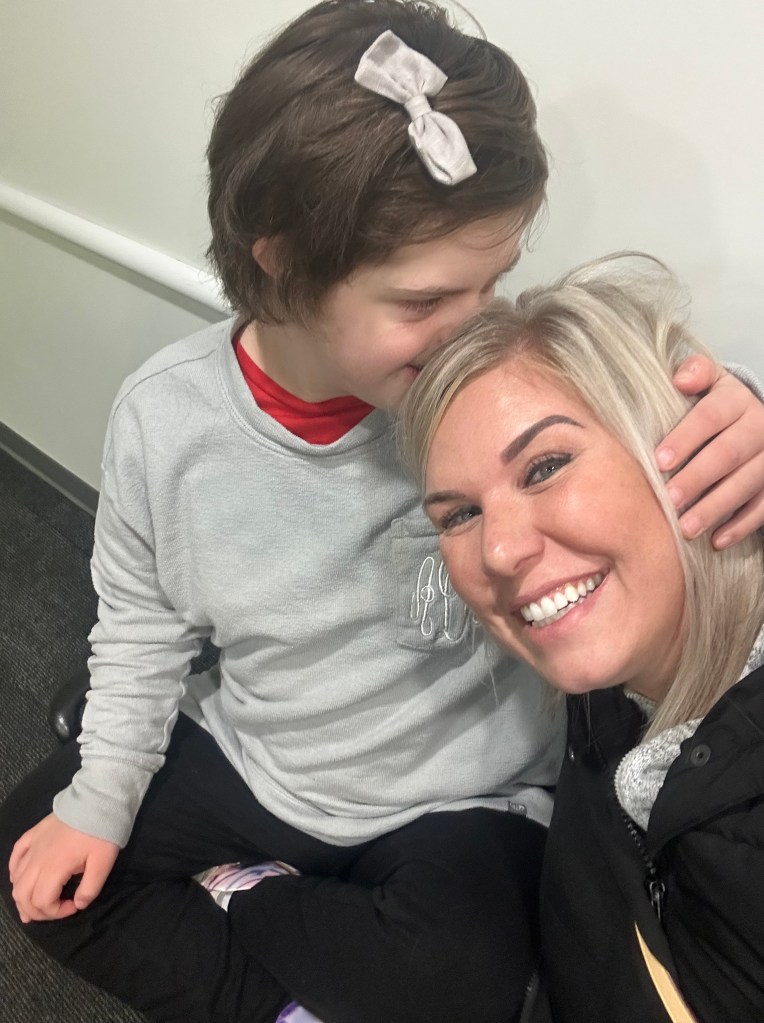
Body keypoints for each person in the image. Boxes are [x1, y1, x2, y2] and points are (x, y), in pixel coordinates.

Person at [1, 0, 763, 1019]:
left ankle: (249, 908)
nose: (470, 334)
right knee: (38, 856)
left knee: (455, 980)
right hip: (262, 760)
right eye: (424, 302)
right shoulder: (162, 419)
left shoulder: (489, 396)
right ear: (280, 260)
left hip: (461, 800)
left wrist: (738, 410)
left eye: (492, 283)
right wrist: (100, 799)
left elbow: (650, 414)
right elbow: (141, 627)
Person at [399, 252, 764, 1022]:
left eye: (544, 467)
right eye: (458, 513)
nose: (499, 550)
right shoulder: (612, 649)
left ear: (683, 445)